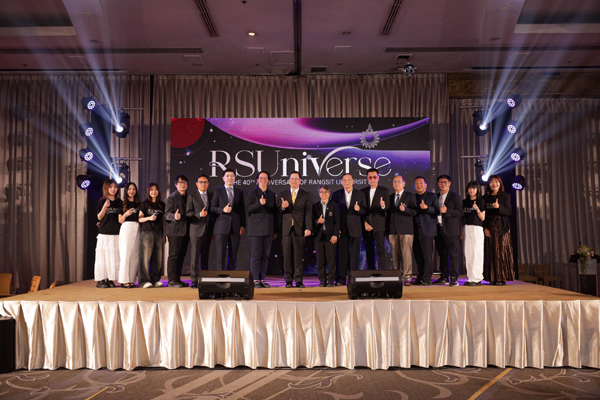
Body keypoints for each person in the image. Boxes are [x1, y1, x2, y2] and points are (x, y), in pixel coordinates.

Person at [278, 171, 312, 288]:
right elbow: (278, 211)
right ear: (289, 180)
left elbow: (308, 213)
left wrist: (308, 227)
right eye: (292, 179)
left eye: (296, 179)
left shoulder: (305, 194)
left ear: (300, 181)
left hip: (299, 228)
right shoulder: (283, 194)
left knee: (299, 256)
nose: (294, 181)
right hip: (286, 229)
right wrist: (282, 207)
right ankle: (288, 280)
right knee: (287, 256)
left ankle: (298, 280)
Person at [332, 173, 366, 284]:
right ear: (341, 182)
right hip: (341, 229)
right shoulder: (336, 194)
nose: (347, 182)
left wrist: (358, 209)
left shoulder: (359, 194)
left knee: (354, 256)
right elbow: (333, 213)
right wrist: (336, 229)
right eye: (344, 180)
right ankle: (341, 279)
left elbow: (365, 211)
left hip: (355, 229)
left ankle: (353, 279)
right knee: (341, 255)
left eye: (349, 180)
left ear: (353, 181)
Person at [245, 171, 278, 288]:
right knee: (256, 255)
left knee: (265, 256)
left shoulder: (272, 194)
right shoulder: (252, 193)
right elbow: (248, 209)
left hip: (268, 229)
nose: (263, 180)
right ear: (257, 180)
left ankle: (262, 279)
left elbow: (274, 212)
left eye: (265, 178)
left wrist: (275, 230)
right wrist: (259, 203)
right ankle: (255, 280)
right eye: (261, 178)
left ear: (268, 180)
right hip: (255, 230)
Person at [483, 175, 515, 285]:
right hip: (489, 226)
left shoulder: (505, 196)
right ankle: (492, 278)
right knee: (490, 252)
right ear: (489, 184)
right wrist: (485, 228)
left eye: (496, 182)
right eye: (492, 182)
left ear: (500, 184)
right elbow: (483, 215)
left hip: (502, 227)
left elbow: (508, 212)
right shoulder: (485, 198)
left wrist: (498, 207)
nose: (494, 184)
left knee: (500, 252)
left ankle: (501, 278)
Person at [211, 169, 245, 271]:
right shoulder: (218, 191)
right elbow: (212, 208)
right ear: (223, 178)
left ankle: (231, 274)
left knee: (233, 253)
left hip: (235, 226)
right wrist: (223, 210)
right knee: (220, 254)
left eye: (232, 176)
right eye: (227, 176)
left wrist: (242, 225)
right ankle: (220, 275)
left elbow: (242, 210)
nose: (230, 178)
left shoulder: (239, 192)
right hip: (221, 227)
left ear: (235, 178)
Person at [386, 175, 417, 286]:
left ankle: (407, 277)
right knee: (395, 255)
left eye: (399, 181)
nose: (397, 183)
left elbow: (415, 211)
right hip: (392, 230)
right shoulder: (390, 197)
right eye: (395, 182)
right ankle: (396, 276)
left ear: (404, 183)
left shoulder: (410, 195)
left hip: (406, 229)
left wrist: (406, 210)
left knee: (406, 254)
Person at [433, 174, 464, 287]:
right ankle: (444, 277)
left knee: (453, 254)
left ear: (449, 183)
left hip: (451, 230)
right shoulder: (435, 196)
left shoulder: (455, 196)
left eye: (445, 182)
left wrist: (447, 211)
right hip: (438, 228)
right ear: (438, 184)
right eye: (440, 182)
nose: (443, 184)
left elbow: (460, 212)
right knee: (442, 254)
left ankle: (454, 277)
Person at [186, 174, 214, 288]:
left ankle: (204, 279)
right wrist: (199, 214)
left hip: (208, 230)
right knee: (195, 256)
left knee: (205, 256)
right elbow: (188, 213)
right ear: (197, 184)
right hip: (196, 230)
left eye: (205, 182)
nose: (203, 184)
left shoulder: (212, 195)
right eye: (201, 182)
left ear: (208, 184)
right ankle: (194, 280)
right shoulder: (192, 196)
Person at [95, 179, 122, 288]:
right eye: (110, 187)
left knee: (114, 257)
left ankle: (110, 279)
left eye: (115, 187)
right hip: (104, 232)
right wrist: (105, 207)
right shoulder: (102, 201)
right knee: (103, 257)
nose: (113, 189)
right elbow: (99, 217)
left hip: (116, 233)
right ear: (106, 189)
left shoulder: (120, 202)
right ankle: (101, 279)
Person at [361, 168, 390, 270]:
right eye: (370, 177)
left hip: (379, 226)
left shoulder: (384, 191)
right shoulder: (363, 191)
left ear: (378, 178)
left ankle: (381, 271)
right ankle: (371, 271)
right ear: (367, 178)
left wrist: (383, 206)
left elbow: (387, 208)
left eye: (374, 177)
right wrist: (365, 223)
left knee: (380, 250)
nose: (372, 179)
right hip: (366, 226)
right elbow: (362, 210)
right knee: (369, 250)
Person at [165, 175, 190, 287]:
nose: (182, 184)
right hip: (174, 231)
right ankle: (171, 280)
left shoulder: (189, 197)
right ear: (176, 185)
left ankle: (177, 279)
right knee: (174, 255)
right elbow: (167, 214)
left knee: (181, 255)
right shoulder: (171, 198)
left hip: (185, 231)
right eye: (180, 183)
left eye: (184, 182)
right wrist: (174, 216)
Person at [138, 183, 165, 288]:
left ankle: (155, 280)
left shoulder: (162, 204)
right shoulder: (145, 204)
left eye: (156, 190)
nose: (154, 192)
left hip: (158, 232)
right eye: (151, 190)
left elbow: (163, 221)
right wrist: (149, 218)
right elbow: (139, 219)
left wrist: (164, 236)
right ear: (148, 192)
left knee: (157, 258)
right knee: (145, 257)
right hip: (147, 232)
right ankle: (144, 281)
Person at [412, 176, 438, 286]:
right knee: (417, 254)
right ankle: (420, 276)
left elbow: (437, 211)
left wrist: (427, 208)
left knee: (427, 255)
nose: (419, 185)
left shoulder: (432, 196)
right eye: (416, 183)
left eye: (421, 183)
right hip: (415, 229)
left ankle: (427, 278)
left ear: (425, 185)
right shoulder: (413, 197)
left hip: (427, 229)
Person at [313, 185, 340, 287]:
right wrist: (318, 221)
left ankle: (331, 280)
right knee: (320, 260)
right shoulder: (315, 206)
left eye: (326, 192)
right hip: (318, 236)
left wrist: (335, 235)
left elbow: (337, 222)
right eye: (321, 192)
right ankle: (322, 280)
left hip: (330, 237)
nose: (324, 194)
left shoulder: (334, 205)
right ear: (319, 193)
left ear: (329, 193)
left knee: (331, 259)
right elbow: (311, 221)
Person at [462, 180, 485, 286]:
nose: (471, 190)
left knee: (477, 253)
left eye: (474, 188)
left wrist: (477, 209)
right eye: (470, 188)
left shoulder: (481, 201)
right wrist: (461, 232)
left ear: (477, 190)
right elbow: (462, 218)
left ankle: (477, 278)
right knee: (468, 253)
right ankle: (470, 278)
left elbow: (482, 218)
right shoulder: (464, 202)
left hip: (477, 228)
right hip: (467, 228)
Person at [118, 182, 141, 288]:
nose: (131, 191)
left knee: (135, 255)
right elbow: (120, 220)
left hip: (137, 227)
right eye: (129, 189)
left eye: (133, 189)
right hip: (126, 227)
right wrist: (126, 214)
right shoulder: (122, 204)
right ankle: (124, 280)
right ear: (126, 191)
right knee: (126, 254)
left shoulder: (138, 204)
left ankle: (131, 279)